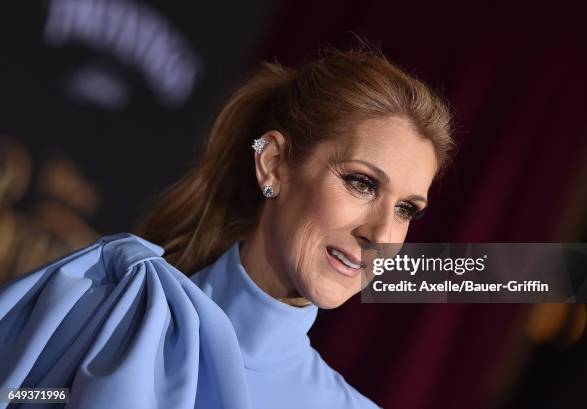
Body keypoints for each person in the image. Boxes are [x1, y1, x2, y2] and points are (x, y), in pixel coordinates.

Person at [0, 48, 454, 409]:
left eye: (407, 210)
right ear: (273, 163)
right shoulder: (106, 310)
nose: (380, 234)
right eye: (361, 183)